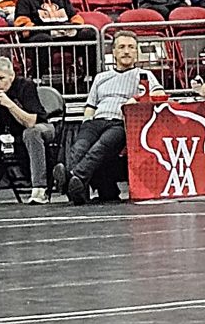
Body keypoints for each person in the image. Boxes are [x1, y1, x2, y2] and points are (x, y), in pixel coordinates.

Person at [54, 30, 164, 204]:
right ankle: (77, 186)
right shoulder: (101, 77)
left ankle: (72, 177)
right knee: (80, 147)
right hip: (97, 119)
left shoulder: (144, 75)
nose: (126, 51)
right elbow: (90, 106)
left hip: (121, 122)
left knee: (99, 148)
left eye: (131, 47)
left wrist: (137, 100)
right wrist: (87, 122)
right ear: (113, 52)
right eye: (121, 47)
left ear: (136, 52)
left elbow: (159, 94)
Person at [0, 56, 52, 205]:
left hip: (40, 128)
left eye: (1, 78)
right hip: (7, 132)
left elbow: (30, 122)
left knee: (31, 133)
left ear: (11, 76)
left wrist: (10, 105)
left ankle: (39, 190)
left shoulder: (26, 86)